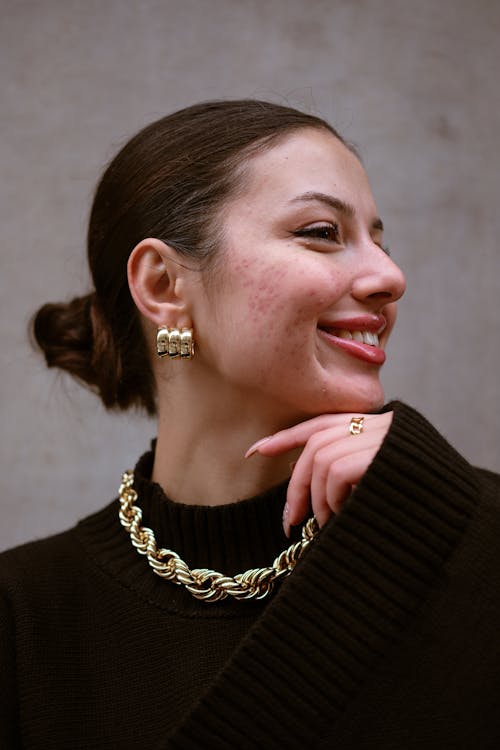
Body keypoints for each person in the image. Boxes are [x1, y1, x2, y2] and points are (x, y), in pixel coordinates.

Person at [1, 99, 499, 750]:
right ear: (163, 286)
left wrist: (442, 508)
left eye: (379, 240)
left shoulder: (474, 533)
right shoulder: (24, 616)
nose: (390, 277)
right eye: (322, 232)